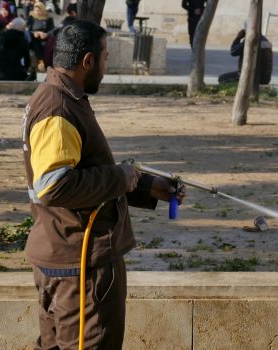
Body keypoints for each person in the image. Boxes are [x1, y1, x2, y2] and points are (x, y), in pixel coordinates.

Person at [21, 20, 186, 349]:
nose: (106, 66)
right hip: (81, 268)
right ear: (88, 61)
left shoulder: (64, 97)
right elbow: (53, 186)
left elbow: (84, 171)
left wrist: (147, 186)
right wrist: (120, 176)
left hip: (65, 258)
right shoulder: (58, 107)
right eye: (106, 57)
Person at [27, 1, 54, 72]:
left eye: (39, 10)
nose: (37, 12)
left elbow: (52, 30)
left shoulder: (48, 19)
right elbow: (27, 30)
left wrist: (46, 34)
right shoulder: (31, 17)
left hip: (45, 38)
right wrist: (34, 33)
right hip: (34, 38)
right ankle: (41, 61)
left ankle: (47, 63)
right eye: (36, 10)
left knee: (47, 44)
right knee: (36, 43)